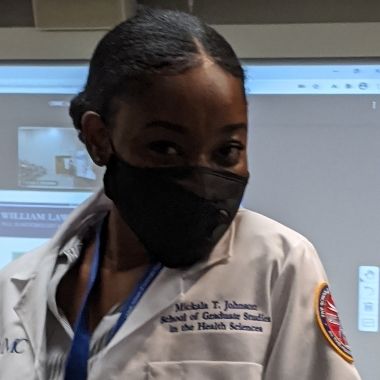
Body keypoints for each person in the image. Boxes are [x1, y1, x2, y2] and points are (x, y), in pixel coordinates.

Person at [0, 7, 361, 380]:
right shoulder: (17, 286)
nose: (202, 180)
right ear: (99, 139)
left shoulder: (277, 264)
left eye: (227, 151)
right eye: (166, 148)